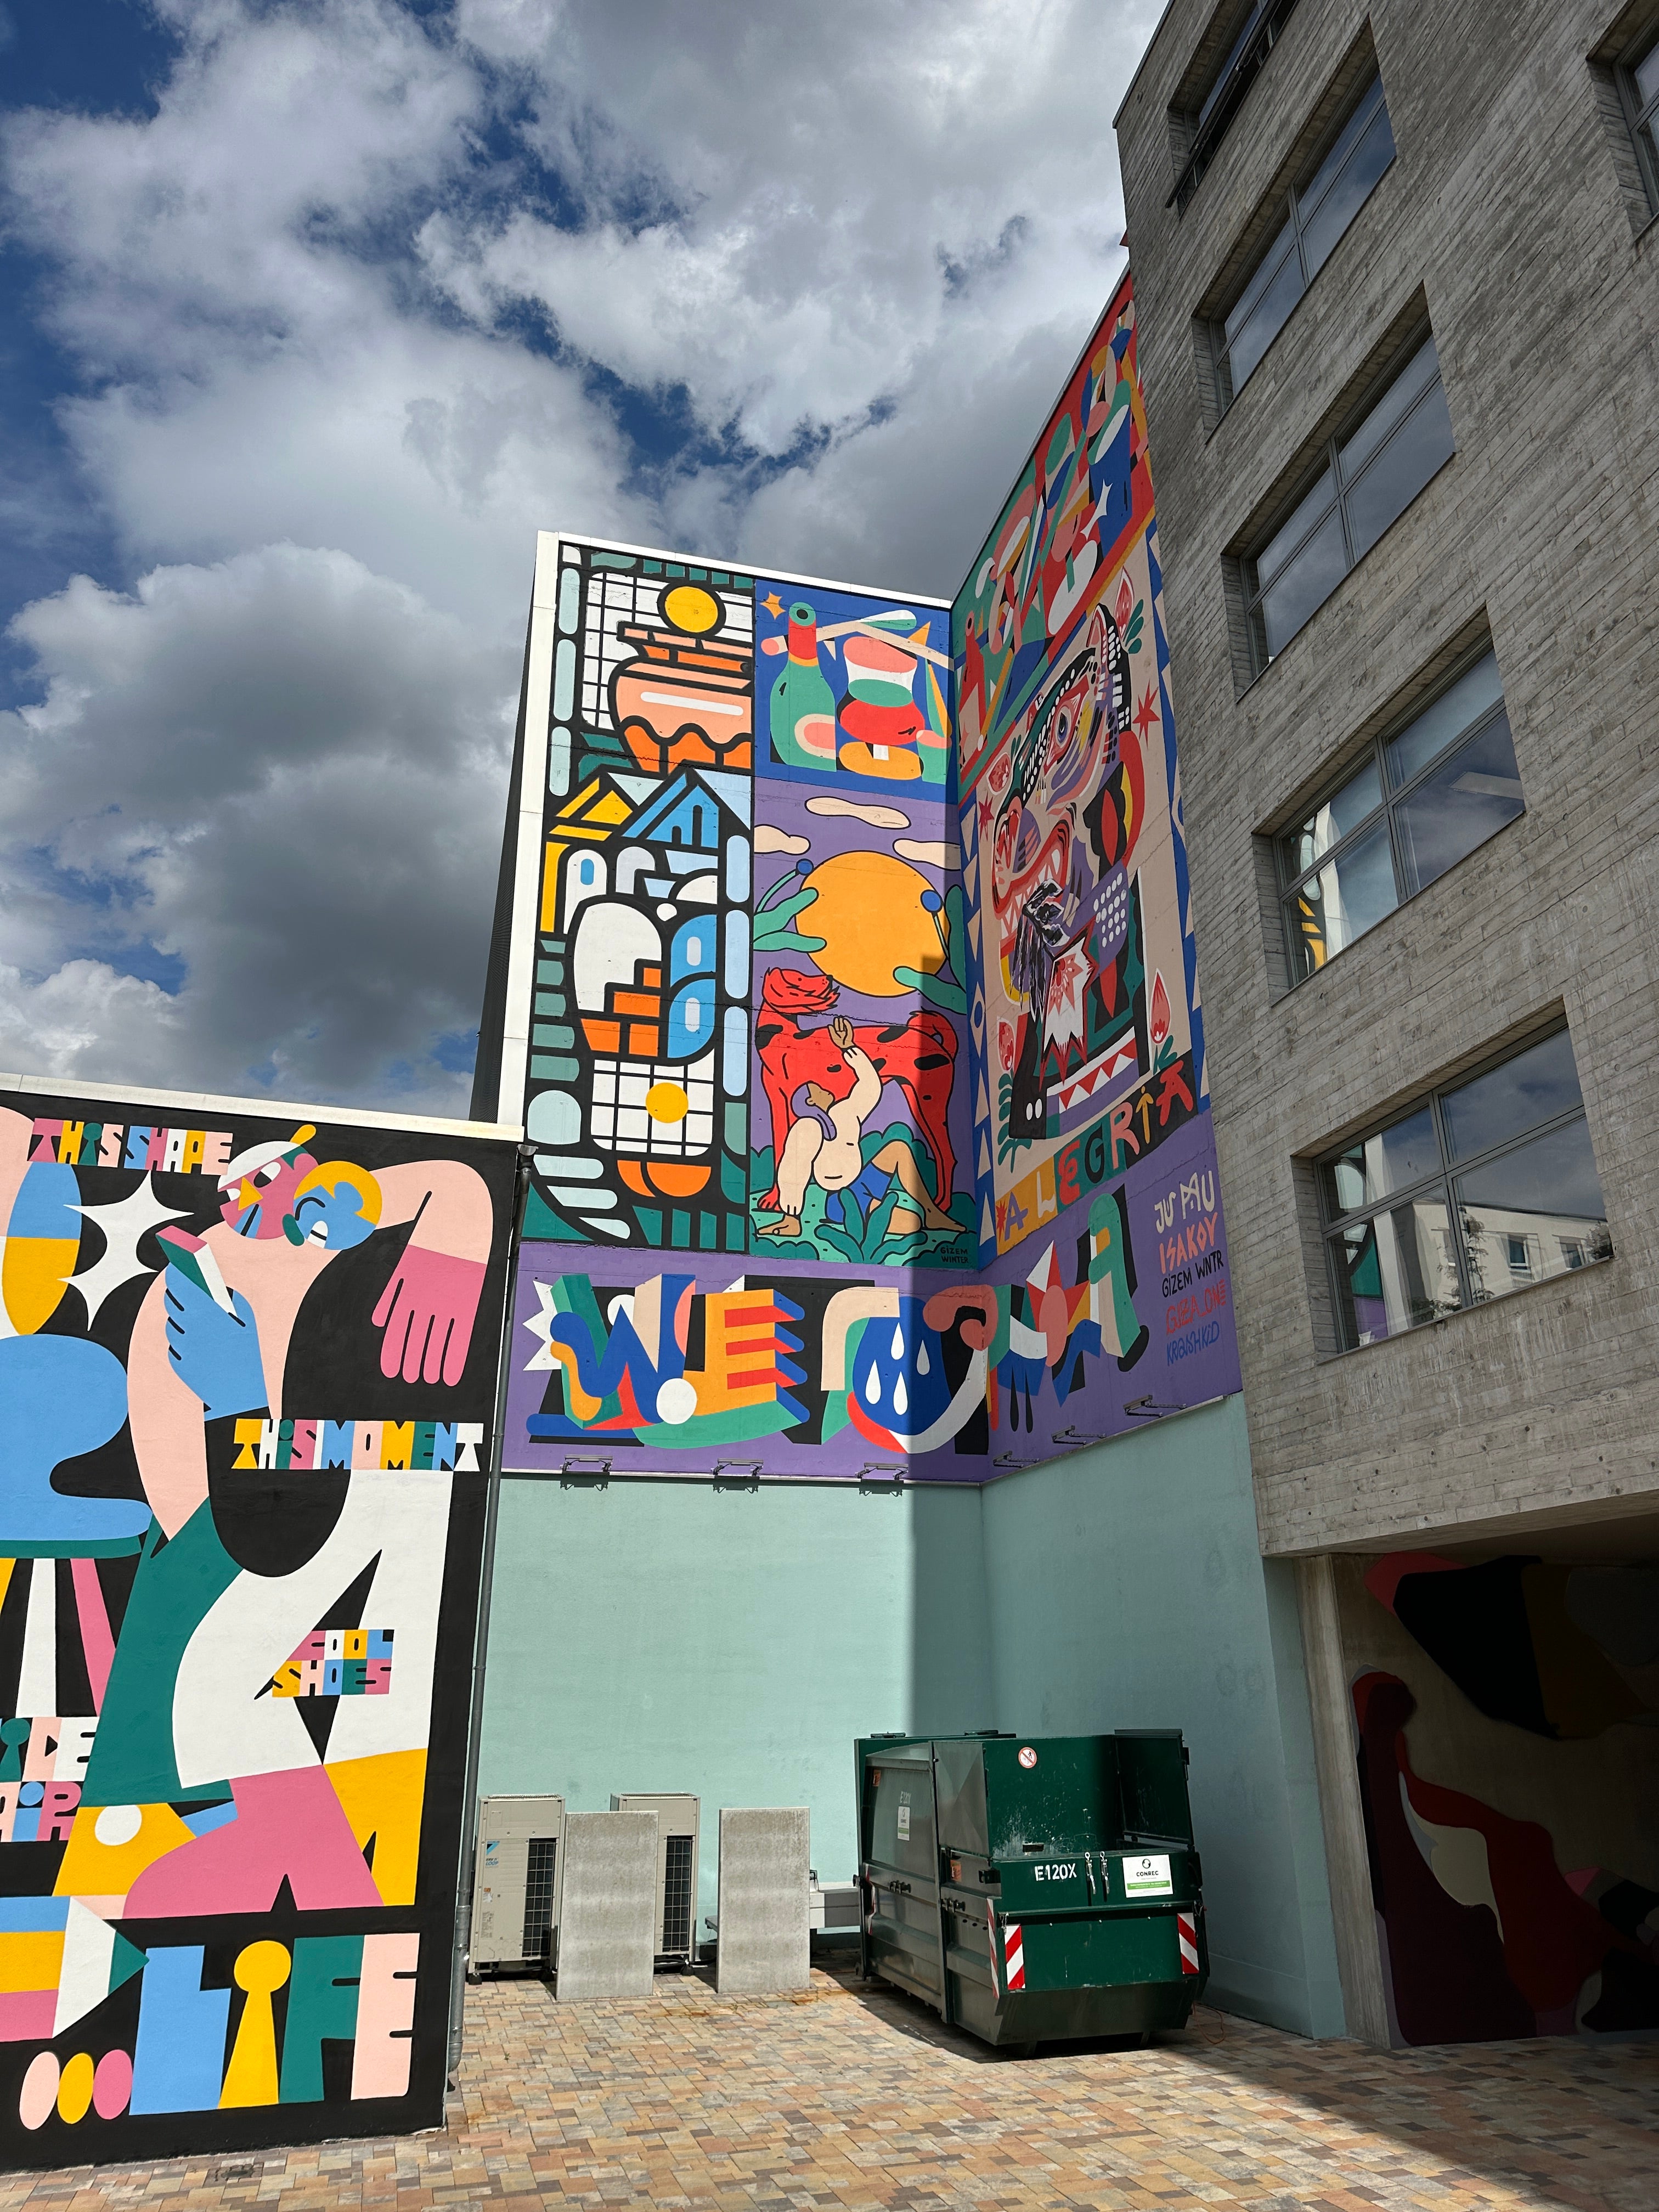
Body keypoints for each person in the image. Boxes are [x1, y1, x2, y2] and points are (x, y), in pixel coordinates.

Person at [758, 1017, 957, 1242]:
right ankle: (797, 1222)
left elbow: (870, 1087)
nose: (824, 1088)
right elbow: (794, 1166)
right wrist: (791, 1215)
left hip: (863, 1183)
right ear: (811, 1102)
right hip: (842, 1201)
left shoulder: (845, 1112)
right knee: (912, 1223)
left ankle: (933, 1214)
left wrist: (849, 1048)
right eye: (817, 1090)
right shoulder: (807, 1127)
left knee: (899, 1149)